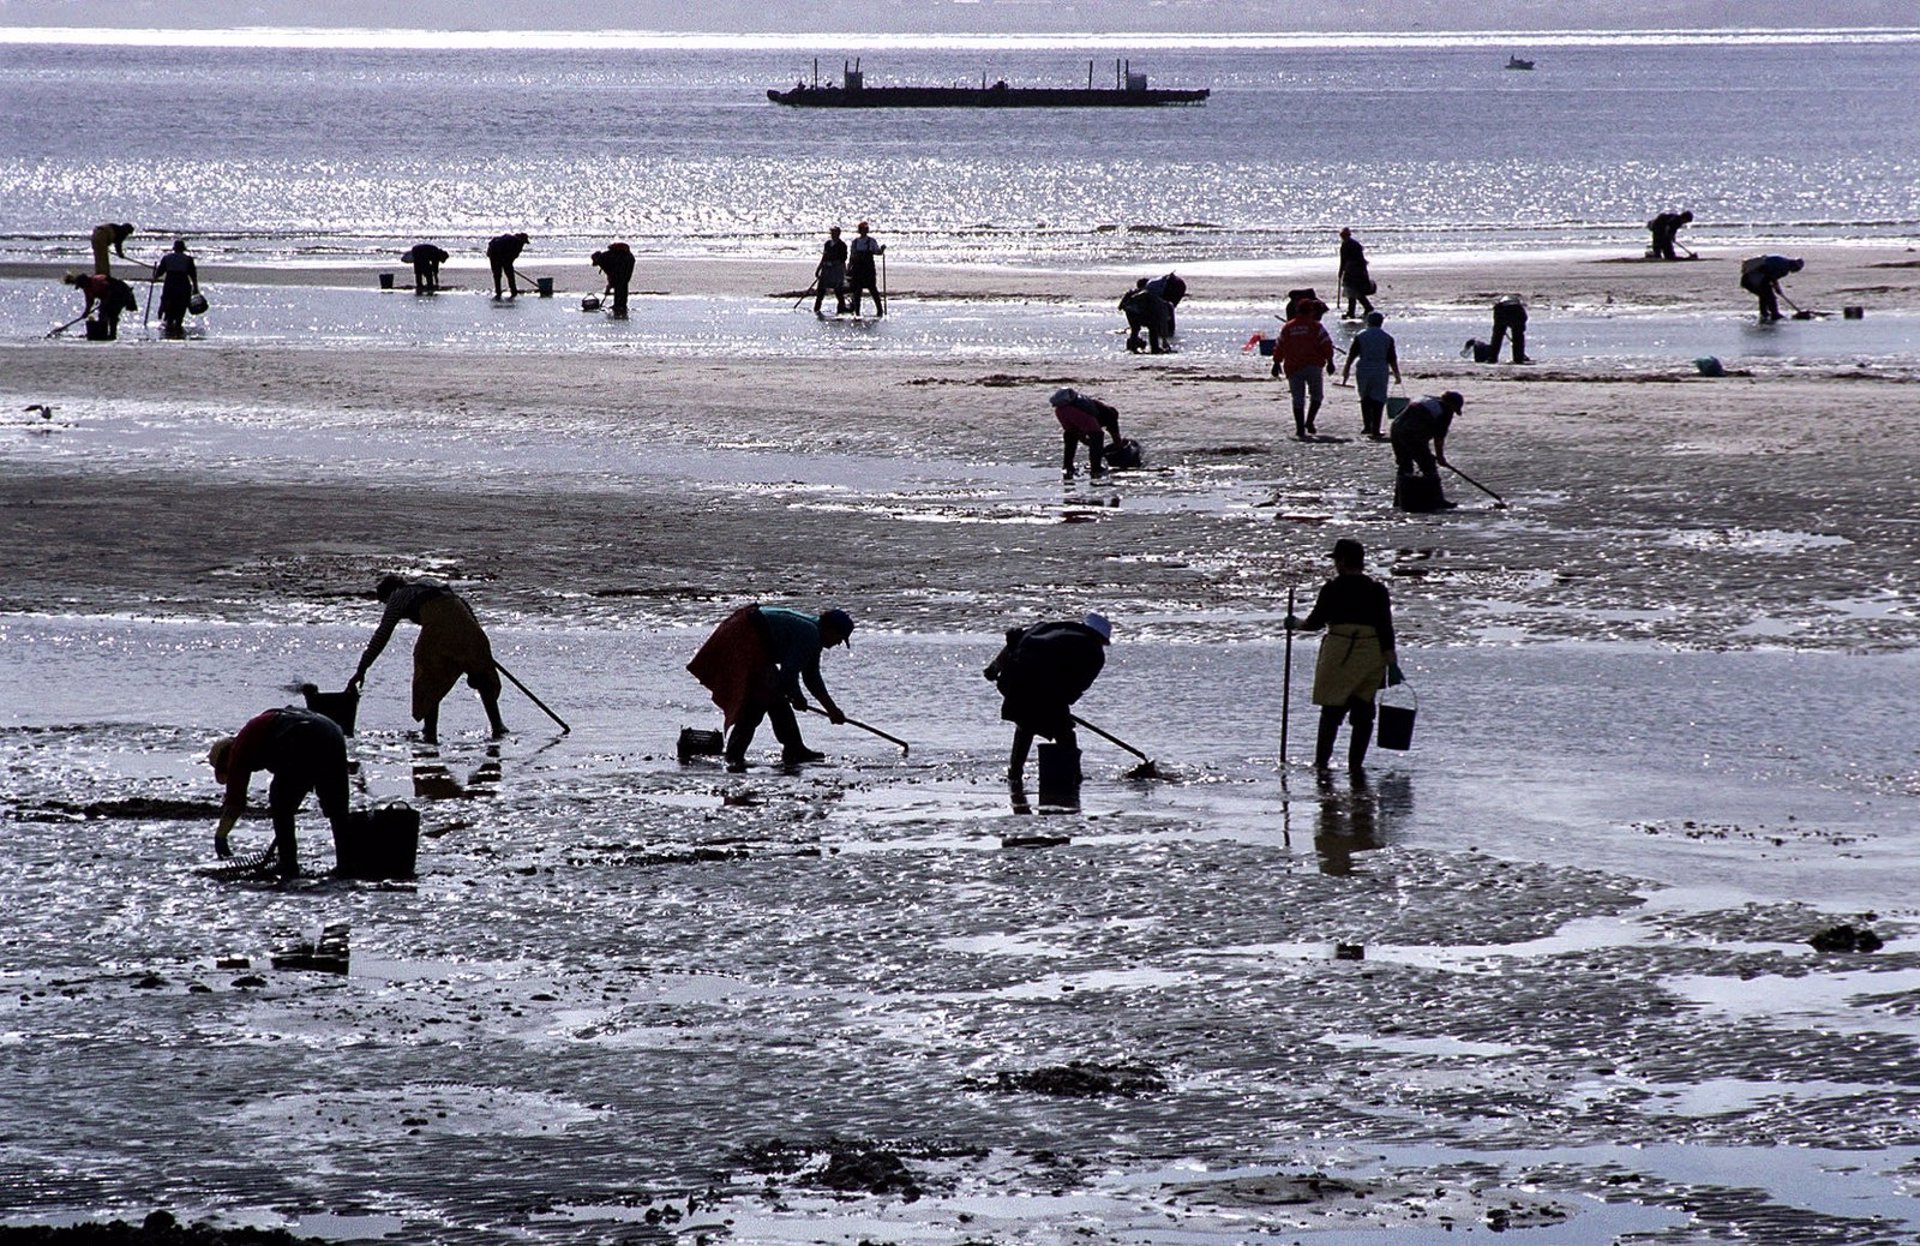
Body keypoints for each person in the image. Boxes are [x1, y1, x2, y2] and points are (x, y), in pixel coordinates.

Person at [687, 605, 853, 771]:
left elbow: (812, 677)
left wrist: (831, 709)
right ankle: (735, 755)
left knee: (773, 694)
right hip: (745, 635)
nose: (838, 643)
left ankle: (793, 748)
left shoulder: (813, 636)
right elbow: (788, 673)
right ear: (830, 628)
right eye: (839, 637)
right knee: (760, 699)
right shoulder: (810, 634)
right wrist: (797, 697)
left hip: (751, 636)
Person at [1285, 539, 1401, 773]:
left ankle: (1321, 766)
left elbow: (1315, 623)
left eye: (1336, 560)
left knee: (1331, 711)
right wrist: (1392, 664)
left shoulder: (1332, 589)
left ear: (1342, 561)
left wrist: (1295, 623)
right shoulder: (1377, 590)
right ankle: (1356, 768)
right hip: (1370, 655)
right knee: (1364, 712)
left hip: (1339, 654)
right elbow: (1386, 629)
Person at [350, 574, 507, 745]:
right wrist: (476, 643)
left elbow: (382, 634)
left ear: (389, 594)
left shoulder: (397, 596)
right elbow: (463, 604)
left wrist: (362, 669)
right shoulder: (431, 583)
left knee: (428, 676)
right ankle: (497, 725)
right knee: (482, 675)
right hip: (468, 625)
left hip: (440, 629)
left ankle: (430, 732)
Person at [207, 706, 352, 879]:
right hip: (332, 731)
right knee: (337, 810)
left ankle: (288, 864)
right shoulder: (259, 729)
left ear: (226, 756)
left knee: (280, 803)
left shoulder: (239, 748)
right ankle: (346, 865)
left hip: (301, 735)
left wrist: (221, 836)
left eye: (226, 770)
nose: (230, 773)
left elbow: (235, 802)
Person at [983, 613, 1110, 782]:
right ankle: (1072, 775)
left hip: (1015, 681)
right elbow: (1079, 685)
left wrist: (994, 668)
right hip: (1043, 689)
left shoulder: (1048, 627)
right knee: (1064, 732)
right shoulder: (1094, 651)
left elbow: (1014, 641)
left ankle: (1015, 773)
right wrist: (1060, 705)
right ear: (1101, 637)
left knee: (1025, 726)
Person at [1273, 296, 1335, 439]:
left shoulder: (1288, 327)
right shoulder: (1316, 327)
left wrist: (1276, 363)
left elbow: (1279, 346)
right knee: (1317, 396)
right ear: (1311, 311)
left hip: (1293, 366)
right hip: (1313, 366)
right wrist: (1330, 361)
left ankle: (1300, 428)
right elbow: (1326, 344)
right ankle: (1309, 421)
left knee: (1298, 398)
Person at [1389, 391, 1463, 510]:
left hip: (1396, 428)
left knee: (1404, 465)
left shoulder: (1426, 399)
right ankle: (1437, 500)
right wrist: (1440, 457)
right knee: (1428, 465)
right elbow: (1439, 439)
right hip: (1412, 433)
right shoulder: (1445, 411)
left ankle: (1400, 501)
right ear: (1451, 404)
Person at [1341, 311, 1401, 439]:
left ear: (1368, 322)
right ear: (1381, 322)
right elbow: (1392, 358)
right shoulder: (1387, 337)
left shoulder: (1361, 336)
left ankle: (1367, 425)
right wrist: (1397, 375)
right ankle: (1376, 428)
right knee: (1379, 399)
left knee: (1365, 397)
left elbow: (1352, 355)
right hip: (1380, 369)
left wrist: (1346, 370)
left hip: (1363, 368)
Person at [1049, 387, 1122, 480]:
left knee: (1070, 434)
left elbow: (1076, 430)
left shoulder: (1065, 407)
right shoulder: (1110, 416)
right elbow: (1116, 439)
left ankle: (1068, 466)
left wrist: (1087, 442)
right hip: (1076, 413)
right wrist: (1115, 449)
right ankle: (1096, 468)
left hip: (1060, 412)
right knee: (1097, 436)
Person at [151, 239, 200, 339]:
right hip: (183, 283)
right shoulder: (188, 259)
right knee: (181, 307)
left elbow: (160, 272)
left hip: (170, 283)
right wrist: (195, 287)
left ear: (174, 249)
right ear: (183, 249)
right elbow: (193, 275)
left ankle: (168, 327)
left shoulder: (167, 258)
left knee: (168, 305)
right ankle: (177, 328)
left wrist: (155, 277)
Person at [63, 272, 135, 340]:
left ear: (85, 282)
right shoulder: (87, 288)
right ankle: (102, 333)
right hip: (110, 295)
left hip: (121, 292)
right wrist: (86, 312)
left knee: (112, 313)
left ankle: (112, 335)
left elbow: (109, 289)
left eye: (81, 285)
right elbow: (90, 302)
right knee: (103, 313)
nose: (82, 287)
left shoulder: (97, 281)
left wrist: (105, 302)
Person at [1741, 254, 1803, 323]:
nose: (1794, 271)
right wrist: (1776, 287)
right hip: (1752, 280)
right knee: (1770, 297)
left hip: (1748, 278)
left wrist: (1776, 287)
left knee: (1764, 295)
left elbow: (1771, 276)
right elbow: (1769, 274)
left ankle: (1764, 314)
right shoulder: (1784, 268)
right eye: (1796, 269)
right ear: (1794, 266)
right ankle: (1774, 314)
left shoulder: (1781, 260)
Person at [848, 221, 885, 317]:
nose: (864, 231)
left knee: (873, 289)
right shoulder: (855, 242)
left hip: (868, 269)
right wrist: (849, 268)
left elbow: (877, 252)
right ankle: (857, 312)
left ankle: (880, 311)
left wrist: (882, 250)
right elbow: (852, 256)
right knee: (857, 291)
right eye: (862, 229)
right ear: (859, 230)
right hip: (857, 269)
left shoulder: (871, 241)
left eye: (866, 229)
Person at [1337, 228, 1375, 320]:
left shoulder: (1346, 245)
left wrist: (1341, 271)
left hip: (1352, 271)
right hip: (1358, 270)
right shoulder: (1355, 244)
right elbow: (1361, 259)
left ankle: (1357, 310)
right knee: (1355, 292)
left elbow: (1343, 260)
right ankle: (1360, 309)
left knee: (1352, 291)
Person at [592, 241, 636, 319]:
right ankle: (620, 305)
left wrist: (609, 286)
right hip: (628, 260)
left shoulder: (604, 260)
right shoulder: (606, 256)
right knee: (621, 283)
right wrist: (610, 285)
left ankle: (620, 305)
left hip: (626, 262)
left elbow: (611, 274)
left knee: (621, 283)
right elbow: (611, 274)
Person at [813, 226, 848, 317]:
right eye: (831, 233)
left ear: (838, 233)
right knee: (820, 291)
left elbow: (843, 260)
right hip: (826, 269)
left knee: (838, 291)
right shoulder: (827, 244)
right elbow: (824, 257)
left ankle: (841, 310)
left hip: (836, 270)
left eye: (834, 233)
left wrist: (844, 272)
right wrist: (819, 268)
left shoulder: (842, 245)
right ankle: (816, 310)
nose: (832, 234)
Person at [1486, 294, 1530, 363]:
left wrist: (1499, 326)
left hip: (1503, 310)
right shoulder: (1520, 309)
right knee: (1518, 337)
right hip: (1514, 311)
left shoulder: (1499, 307)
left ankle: (1492, 358)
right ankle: (1518, 358)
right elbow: (1523, 319)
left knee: (1497, 337)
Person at [486, 232, 530, 300]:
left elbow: (511, 258)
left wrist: (508, 264)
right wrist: (506, 263)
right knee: (498, 274)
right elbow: (503, 253)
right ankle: (500, 292)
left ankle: (512, 291)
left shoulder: (517, 245)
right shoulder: (512, 242)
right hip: (494, 254)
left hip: (501, 255)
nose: (523, 244)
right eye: (523, 242)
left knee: (509, 274)